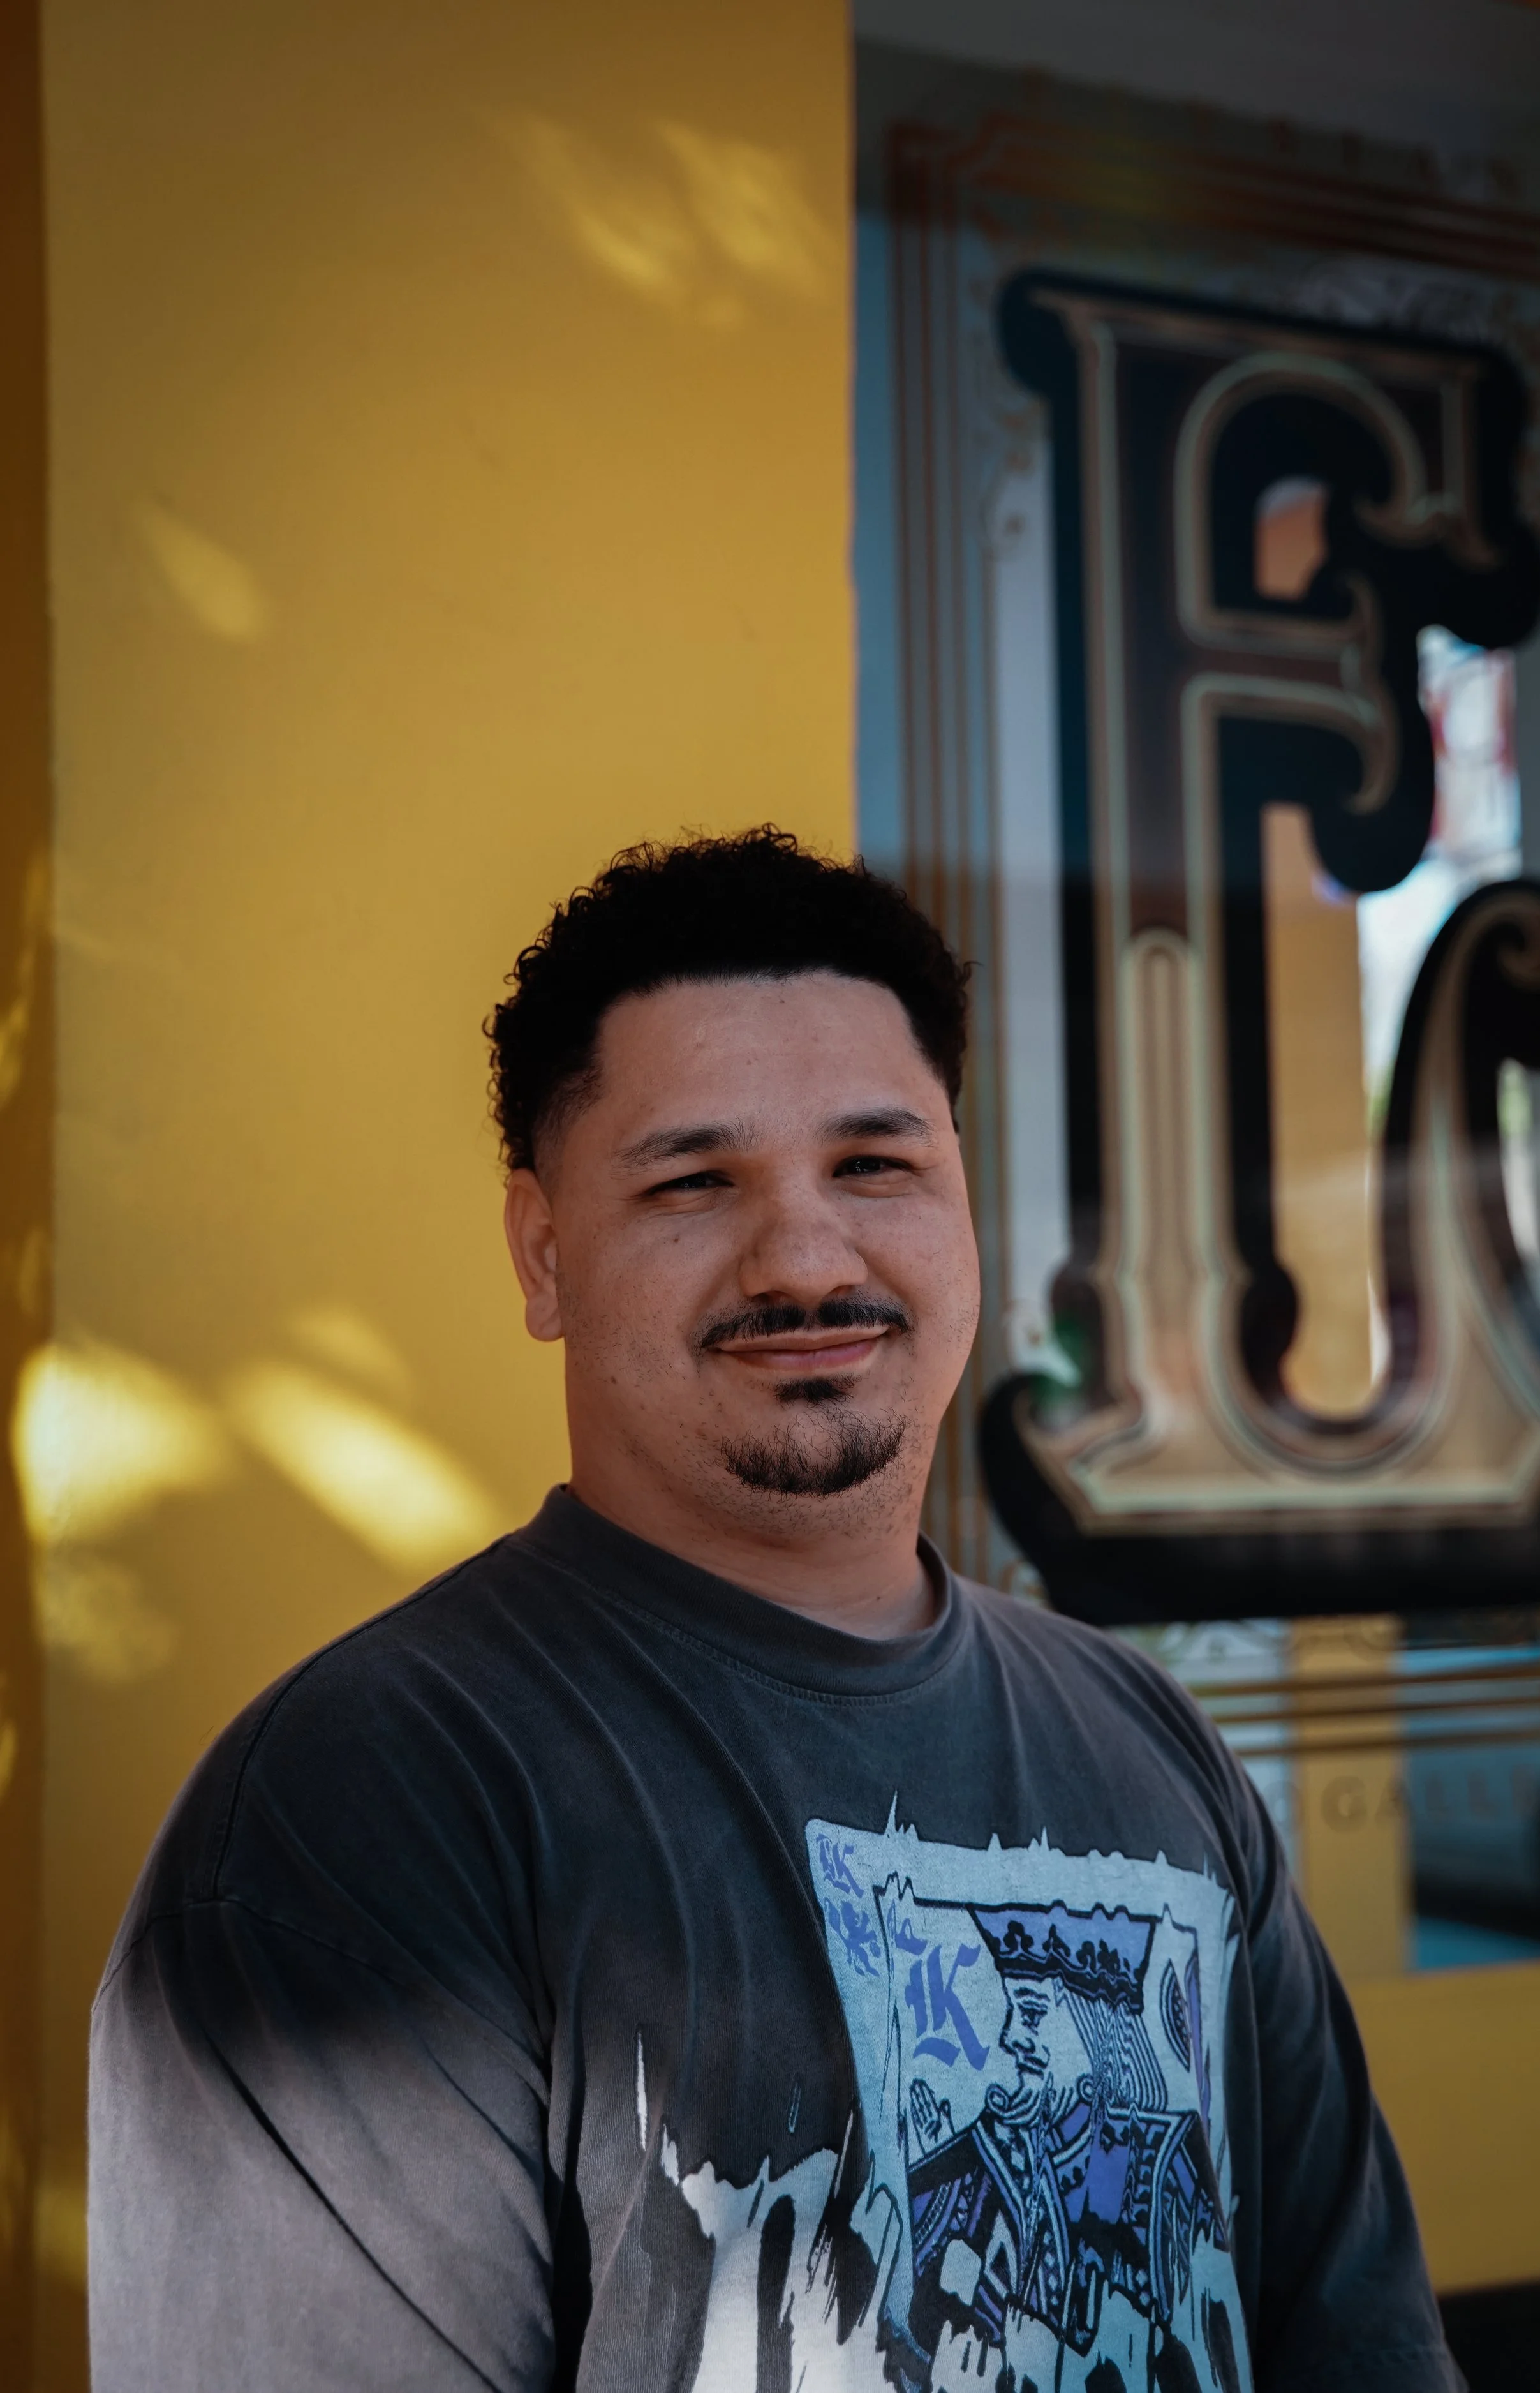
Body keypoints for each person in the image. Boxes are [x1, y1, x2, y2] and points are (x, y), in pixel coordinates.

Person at [89, 830, 1459, 2392]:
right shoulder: (362, 1807)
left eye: (875, 1166)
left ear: (961, 1208)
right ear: (544, 1254)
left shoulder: (1148, 1743)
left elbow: (1363, 2348)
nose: (805, 1258)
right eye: (694, 1181)